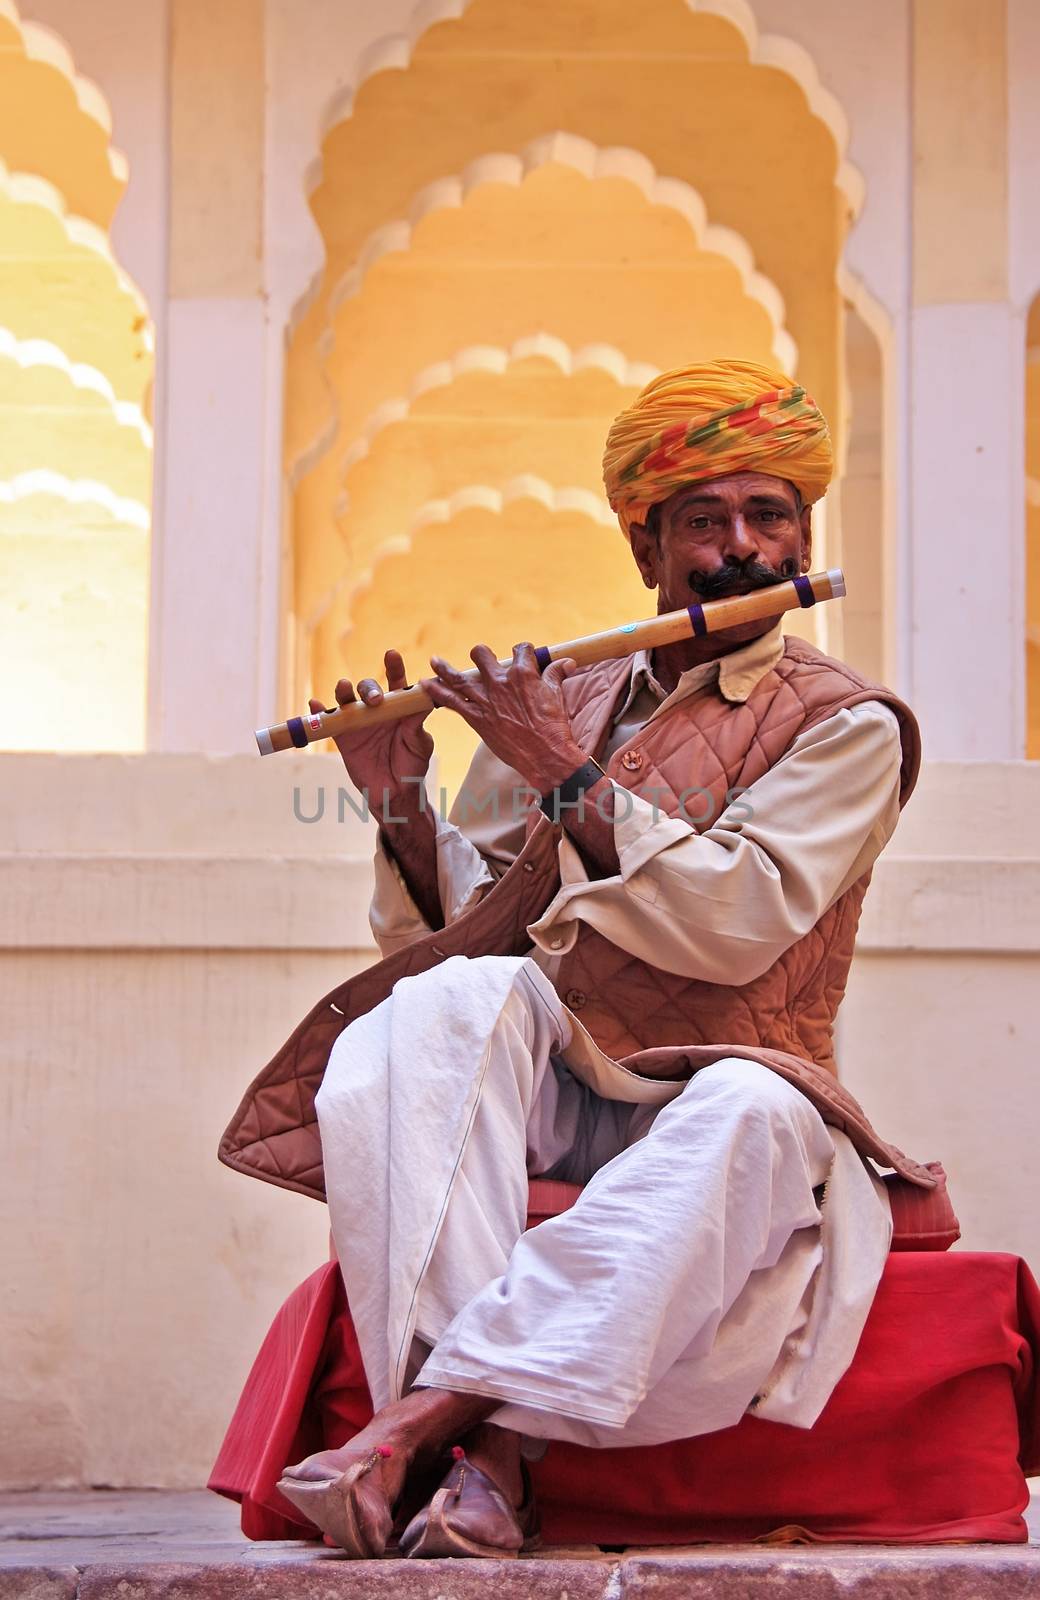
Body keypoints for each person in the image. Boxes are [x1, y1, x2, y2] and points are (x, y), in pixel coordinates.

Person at [226, 360, 934, 1560]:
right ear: (644, 547)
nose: (742, 548)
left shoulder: (846, 723)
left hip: (729, 1083)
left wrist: (567, 773)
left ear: (803, 533)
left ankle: (453, 1433)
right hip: (565, 1083)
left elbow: (732, 921)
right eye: (703, 524)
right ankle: (479, 1446)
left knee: (756, 1110)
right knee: (434, 1005)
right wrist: (401, 806)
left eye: (769, 518)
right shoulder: (557, 696)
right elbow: (475, 926)